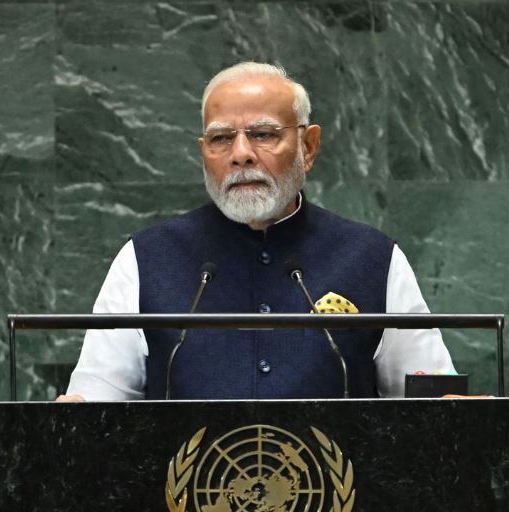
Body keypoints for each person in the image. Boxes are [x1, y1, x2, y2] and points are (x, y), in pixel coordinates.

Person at [58, 62, 453, 402]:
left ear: (309, 146)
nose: (241, 153)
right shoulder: (145, 259)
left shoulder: (373, 258)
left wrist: (452, 408)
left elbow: (428, 406)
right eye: (221, 138)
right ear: (204, 152)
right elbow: (98, 406)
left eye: (263, 134)